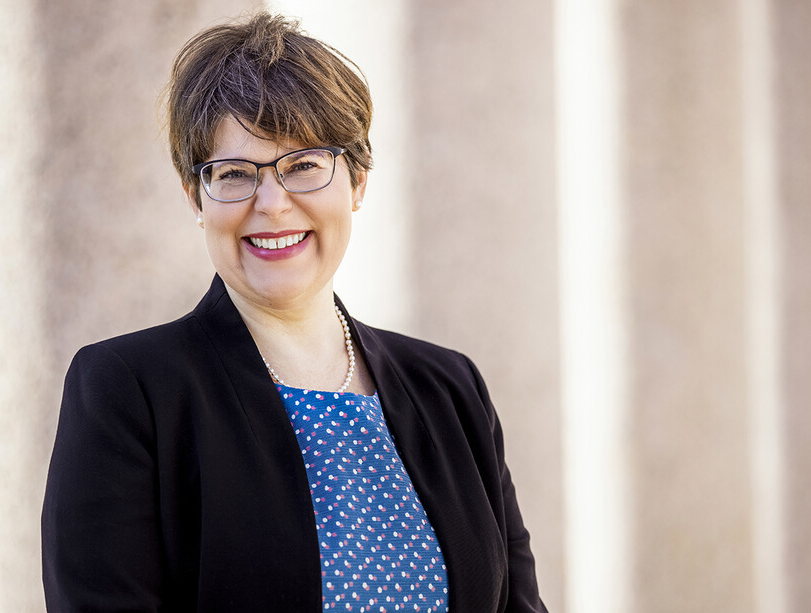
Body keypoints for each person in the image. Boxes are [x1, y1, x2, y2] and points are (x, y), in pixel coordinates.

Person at [41, 12, 546, 613]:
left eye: (304, 165)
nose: (273, 205)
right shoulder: (129, 390)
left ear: (357, 180)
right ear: (194, 197)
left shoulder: (451, 388)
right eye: (234, 174)